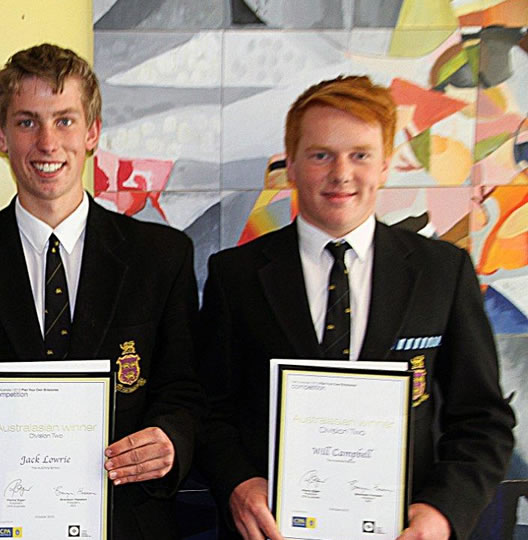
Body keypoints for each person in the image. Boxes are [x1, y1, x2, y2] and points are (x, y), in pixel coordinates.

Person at [0, 43, 205, 539]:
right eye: (27, 122)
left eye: (65, 120)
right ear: (0, 136)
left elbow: (186, 388)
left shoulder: (160, 257)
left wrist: (171, 439)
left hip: (127, 523)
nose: (48, 143)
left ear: (93, 132)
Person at [197, 75, 515, 540]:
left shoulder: (442, 272)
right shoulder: (237, 275)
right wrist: (239, 484)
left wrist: (443, 512)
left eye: (360, 155)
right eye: (321, 154)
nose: (341, 173)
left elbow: (484, 420)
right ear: (292, 165)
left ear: (386, 165)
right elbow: (208, 411)